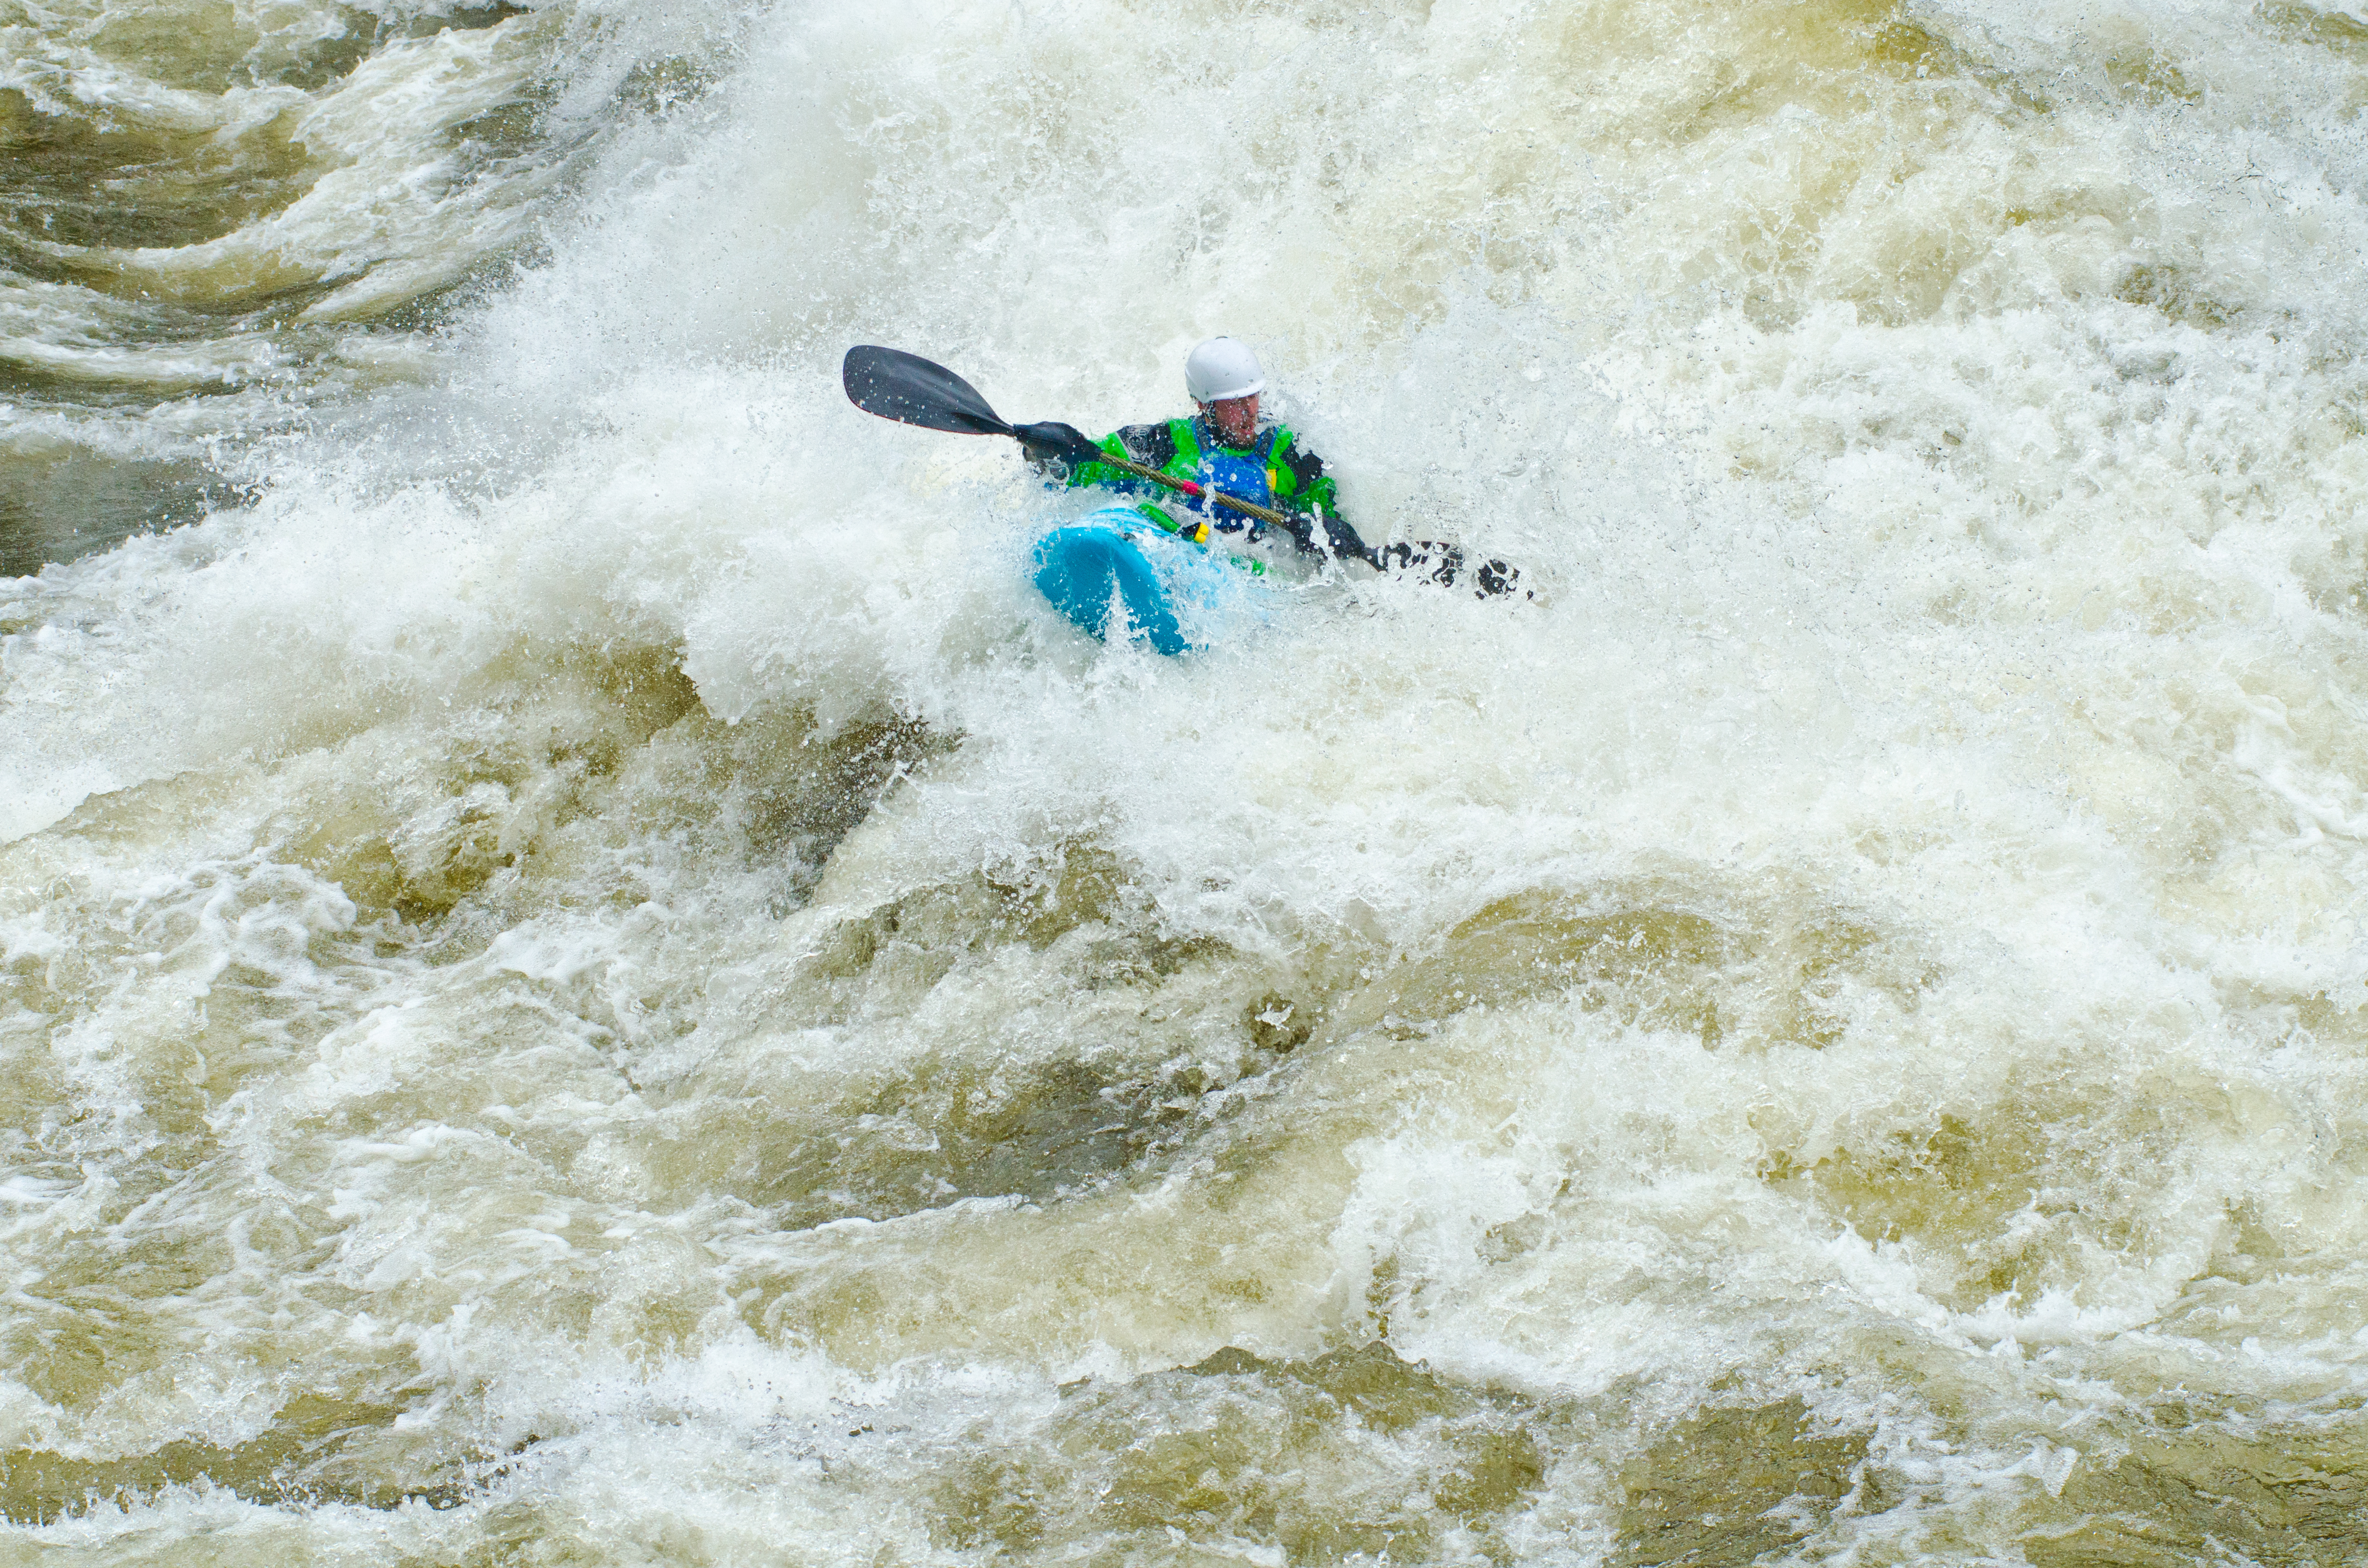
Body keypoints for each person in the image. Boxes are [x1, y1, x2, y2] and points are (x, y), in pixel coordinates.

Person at [1025, 337, 1512, 591]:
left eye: (1251, 399)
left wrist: (1324, 527)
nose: (1247, 414)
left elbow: (1321, 503)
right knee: (1146, 522)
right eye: (1233, 405)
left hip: (1245, 570)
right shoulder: (1162, 443)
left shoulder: (1288, 449)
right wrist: (1051, 455)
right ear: (1204, 406)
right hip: (1181, 545)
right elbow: (1096, 464)